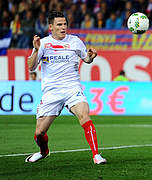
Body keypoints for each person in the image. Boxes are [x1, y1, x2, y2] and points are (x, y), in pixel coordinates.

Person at [25, 11, 106, 165]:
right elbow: (31, 67)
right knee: (39, 133)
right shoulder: (43, 43)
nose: (63, 28)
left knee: (84, 115)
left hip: (72, 87)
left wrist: (91, 56)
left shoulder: (75, 41)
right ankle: (44, 152)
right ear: (51, 27)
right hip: (52, 91)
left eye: (65, 24)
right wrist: (35, 50)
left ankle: (96, 155)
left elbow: (86, 59)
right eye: (59, 25)